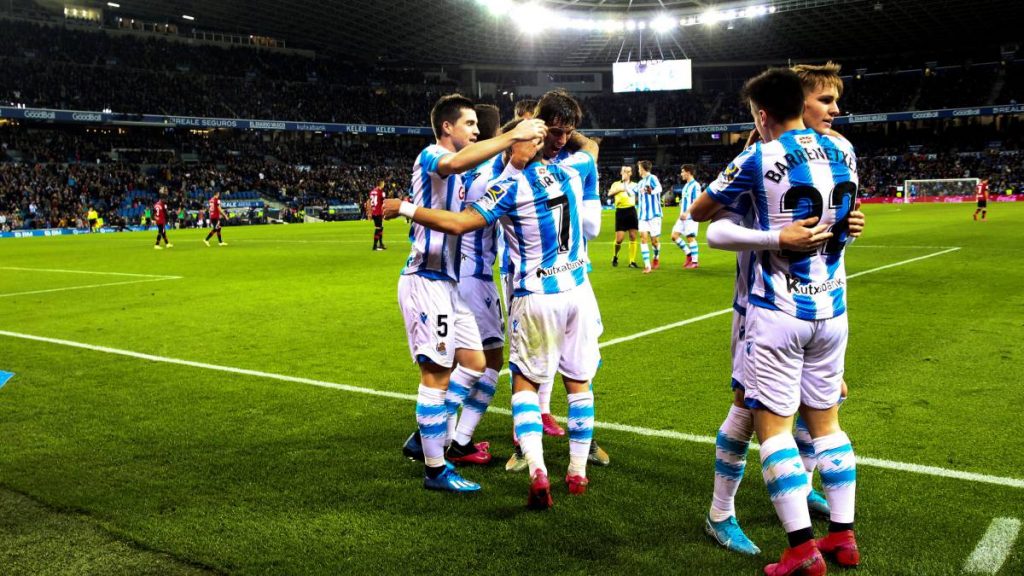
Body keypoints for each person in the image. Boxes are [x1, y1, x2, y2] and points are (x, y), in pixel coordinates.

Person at [691, 68, 860, 575]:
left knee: (763, 418)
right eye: (823, 100)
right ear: (801, 103)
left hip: (773, 307)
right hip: (827, 307)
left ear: (762, 114)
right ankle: (826, 529)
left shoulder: (757, 157)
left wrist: (778, 237)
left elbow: (706, 220)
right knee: (800, 414)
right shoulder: (844, 151)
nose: (831, 110)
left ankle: (786, 533)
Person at [383, 126, 603, 510]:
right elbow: (592, 150)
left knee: (512, 376)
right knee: (571, 380)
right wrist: (557, 135)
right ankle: (575, 469)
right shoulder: (570, 169)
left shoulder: (507, 185)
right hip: (569, 288)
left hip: (527, 292)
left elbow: (462, 220)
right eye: (471, 128)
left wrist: (403, 208)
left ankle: (524, 462)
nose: (477, 135)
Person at [395, 93, 547, 493]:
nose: (477, 131)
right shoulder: (432, 155)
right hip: (424, 278)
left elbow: (476, 178)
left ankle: (432, 438)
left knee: (476, 362)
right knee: (436, 374)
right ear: (447, 127)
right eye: (469, 124)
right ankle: (434, 469)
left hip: (449, 282)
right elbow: (458, 161)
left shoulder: (462, 174)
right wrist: (514, 134)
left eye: (480, 126)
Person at [504, 90, 611, 471]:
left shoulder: (571, 166)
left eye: (567, 132)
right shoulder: (510, 168)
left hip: (573, 279)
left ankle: (569, 449)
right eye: (554, 131)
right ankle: (526, 447)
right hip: (521, 273)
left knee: (573, 365)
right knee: (533, 363)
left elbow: (590, 146)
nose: (559, 139)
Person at [671, 164, 701, 269]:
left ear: (688, 172)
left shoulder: (695, 185)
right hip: (682, 216)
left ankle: (695, 262)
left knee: (690, 237)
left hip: (690, 216)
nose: (681, 174)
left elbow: (697, 202)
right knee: (674, 236)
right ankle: (688, 255)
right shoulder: (686, 186)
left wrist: (687, 212)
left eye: (683, 172)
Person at [635, 160, 663, 273]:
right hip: (642, 216)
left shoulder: (652, 178)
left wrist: (652, 192)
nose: (638, 170)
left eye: (639, 168)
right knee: (643, 238)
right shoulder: (640, 183)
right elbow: (632, 191)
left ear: (642, 168)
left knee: (655, 241)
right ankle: (647, 266)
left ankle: (656, 257)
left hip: (654, 215)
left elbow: (659, 188)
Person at [610, 165, 639, 268]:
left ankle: (632, 261)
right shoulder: (616, 184)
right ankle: (615, 256)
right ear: (621, 173)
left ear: (631, 173)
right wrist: (620, 189)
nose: (626, 173)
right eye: (624, 171)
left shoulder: (635, 185)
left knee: (633, 236)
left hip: (631, 211)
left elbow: (638, 194)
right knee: (619, 239)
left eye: (628, 171)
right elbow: (610, 193)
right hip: (620, 212)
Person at [368, 180, 387, 250]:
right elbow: (383, 201)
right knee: (378, 228)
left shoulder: (372, 192)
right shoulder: (381, 192)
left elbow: (370, 201)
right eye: (383, 183)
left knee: (380, 228)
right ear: (381, 184)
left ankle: (381, 244)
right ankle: (375, 246)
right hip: (378, 212)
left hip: (374, 212)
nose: (384, 185)